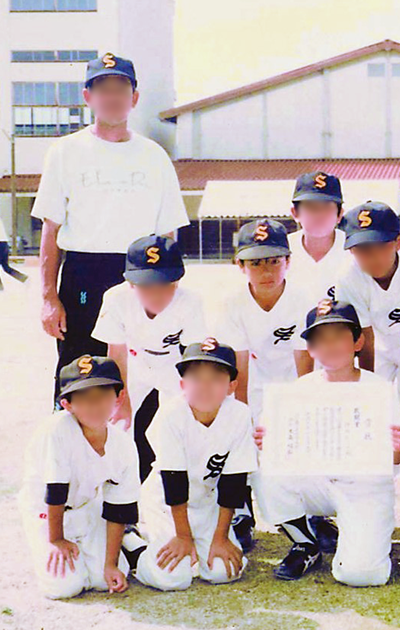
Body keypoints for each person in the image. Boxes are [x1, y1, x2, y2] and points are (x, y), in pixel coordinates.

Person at [32, 53, 189, 402]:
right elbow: (50, 231)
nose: (112, 97)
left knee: (141, 370)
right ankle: (76, 452)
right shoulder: (65, 151)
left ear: (134, 98)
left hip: (142, 274)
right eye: (103, 88)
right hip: (83, 274)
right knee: (82, 372)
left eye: (121, 88)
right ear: (88, 97)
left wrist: (167, 291)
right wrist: (49, 297)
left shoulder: (153, 156)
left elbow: (167, 234)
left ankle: (139, 455)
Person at [257, 300, 400, 584]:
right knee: (266, 472)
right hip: (320, 482)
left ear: (358, 341)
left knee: (361, 574)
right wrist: (269, 440)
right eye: (321, 340)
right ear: (311, 349)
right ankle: (306, 544)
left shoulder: (377, 389)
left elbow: (398, 457)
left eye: (339, 336)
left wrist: (397, 448)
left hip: (366, 489)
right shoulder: (302, 389)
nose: (330, 345)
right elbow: (281, 447)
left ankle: (365, 541)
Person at [333, 201, 400, 542]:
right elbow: (364, 335)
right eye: (361, 249)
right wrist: (372, 392)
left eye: (379, 246)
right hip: (375, 349)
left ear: (399, 241)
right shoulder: (348, 278)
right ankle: (374, 498)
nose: (370, 256)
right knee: (379, 423)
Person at [212, 218, 314, 551]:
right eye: (255, 262)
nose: (266, 270)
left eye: (274, 260)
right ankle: (241, 509)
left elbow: (305, 363)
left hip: (292, 383)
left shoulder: (302, 299)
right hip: (251, 383)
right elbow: (237, 365)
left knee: (296, 443)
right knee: (239, 433)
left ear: (288, 261)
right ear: (239, 264)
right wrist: (240, 413)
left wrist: (300, 408)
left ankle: (310, 514)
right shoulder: (231, 303)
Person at [134, 339, 258, 591]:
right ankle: (135, 552)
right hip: (165, 502)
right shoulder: (171, 414)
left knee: (224, 572)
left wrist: (221, 536)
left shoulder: (239, 414)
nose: (205, 386)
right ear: (182, 384)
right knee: (174, 577)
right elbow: (173, 479)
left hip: (205, 501)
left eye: (215, 377)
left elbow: (233, 483)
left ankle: (196, 542)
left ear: (232, 385)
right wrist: (182, 537)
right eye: (196, 378)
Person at [18, 355, 139, 599]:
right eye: (83, 397)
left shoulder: (123, 444)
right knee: (65, 587)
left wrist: (110, 564)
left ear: (119, 397)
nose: (95, 404)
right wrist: (56, 540)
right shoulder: (56, 430)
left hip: (86, 509)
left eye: (103, 394)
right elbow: (55, 490)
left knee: (105, 579)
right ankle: (48, 545)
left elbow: (119, 508)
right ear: (67, 404)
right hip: (46, 512)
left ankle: (125, 543)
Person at [92, 235, 207, 481]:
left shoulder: (191, 301)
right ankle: (118, 492)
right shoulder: (116, 298)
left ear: (177, 281)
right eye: (146, 286)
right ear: (131, 283)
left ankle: (176, 487)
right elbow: (117, 352)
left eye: (165, 285)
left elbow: (193, 353)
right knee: (118, 424)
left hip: (171, 364)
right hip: (133, 362)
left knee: (183, 421)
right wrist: (121, 400)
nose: (156, 294)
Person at [286, 171, 351, 303]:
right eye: (311, 207)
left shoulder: (354, 248)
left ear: (340, 214)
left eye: (327, 207)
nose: (319, 214)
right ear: (295, 213)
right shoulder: (280, 249)